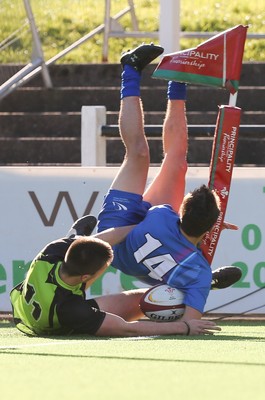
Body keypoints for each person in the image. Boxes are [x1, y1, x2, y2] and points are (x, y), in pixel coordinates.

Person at [97, 43, 240, 321]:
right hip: (146, 240)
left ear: (181, 211)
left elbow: (167, 221)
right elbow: (193, 321)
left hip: (115, 235)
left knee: (137, 154)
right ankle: (177, 78)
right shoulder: (175, 235)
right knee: (177, 162)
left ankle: (131, 70)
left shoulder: (163, 215)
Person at [10, 215, 221, 337]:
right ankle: (200, 286)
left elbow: (105, 239)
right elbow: (126, 329)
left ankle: (77, 237)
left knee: (146, 299)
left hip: (44, 295)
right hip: (50, 322)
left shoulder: (52, 251)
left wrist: (149, 228)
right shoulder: (74, 311)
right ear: (86, 278)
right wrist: (184, 327)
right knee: (147, 305)